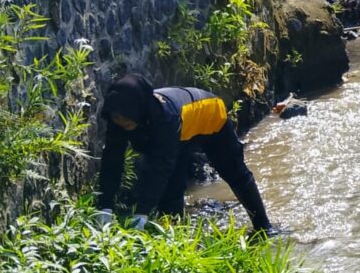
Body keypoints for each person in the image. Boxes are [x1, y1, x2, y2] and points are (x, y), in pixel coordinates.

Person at [96, 74, 272, 234]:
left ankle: (263, 227)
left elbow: (160, 167)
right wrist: (105, 206)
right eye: (116, 117)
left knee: (234, 173)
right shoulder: (119, 117)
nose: (121, 121)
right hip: (182, 131)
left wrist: (142, 213)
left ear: (138, 109)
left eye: (125, 117)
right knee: (171, 189)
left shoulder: (166, 118)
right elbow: (112, 160)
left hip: (209, 117)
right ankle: (175, 239)